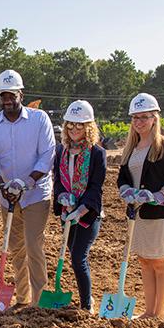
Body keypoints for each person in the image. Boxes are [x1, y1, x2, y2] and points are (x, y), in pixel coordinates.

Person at [0, 69, 56, 308]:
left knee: (34, 246)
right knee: (16, 249)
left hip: (36, 193)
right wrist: (2, 185)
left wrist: (27, 182)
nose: (7, 100)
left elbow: (47, 155)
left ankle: (39, 301)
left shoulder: (39, 119)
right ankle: (22, 299)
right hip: (8, 198)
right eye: (3, 95)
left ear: (21, 94)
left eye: (12, 95)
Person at [117, 92, 164, 321]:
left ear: (154, 118)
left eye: (144, 117)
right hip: (138, 215)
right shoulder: (131, 148)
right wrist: (126, 191)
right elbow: (123, 178)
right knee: (145, 262)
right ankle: (149, 312)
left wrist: (157, 195)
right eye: (135, 118)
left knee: (160, 263)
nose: (139, 122)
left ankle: (161, 314)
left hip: (160, 215)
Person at [53, 100, 106, 313]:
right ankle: (85, 297)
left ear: (89, 127)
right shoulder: (61, 151)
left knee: (77, 257)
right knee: (73, 254)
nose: (74, 129)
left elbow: (95, 187)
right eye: (71, 124)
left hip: (88, 215)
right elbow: (57, 180)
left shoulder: (97, 153)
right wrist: (62, 199)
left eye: (80, 125)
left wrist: (80, 210)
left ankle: (87, 304)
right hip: (67, 214)